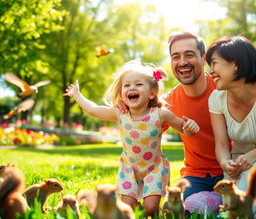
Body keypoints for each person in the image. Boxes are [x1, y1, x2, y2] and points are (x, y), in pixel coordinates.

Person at [63, 60, 199, 217]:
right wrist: (77, 95)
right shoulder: (120, 113)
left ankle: (155, 208)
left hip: (153, 169)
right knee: (128, 209)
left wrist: (190, 128)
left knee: (150, 210)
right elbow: (93, 110)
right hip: (129, 169)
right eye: (126, 85)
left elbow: (184, 130)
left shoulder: (160, 114)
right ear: (121, 93)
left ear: (151, 93)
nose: (132, 88)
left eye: (138, 84)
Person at [115, 31, 223, 215]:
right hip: (195, 175)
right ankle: (212, 200)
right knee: (178, 211)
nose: (182, 62)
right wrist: (127, 105)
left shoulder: (223, 86)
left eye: (189, 55)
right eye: (176, 57)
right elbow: (143, 129)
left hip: (232, 168)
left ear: (203, 58)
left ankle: (218, 200)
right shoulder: (167, 103)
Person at [206, 35, 256, 191]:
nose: (211, 72)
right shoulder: (216, 98)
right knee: (233, 206)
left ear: (236, 64)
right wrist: (225, 163)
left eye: (214, 63)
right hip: (239, 167)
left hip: (250, 162)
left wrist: (253, 155)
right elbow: (221, 143)